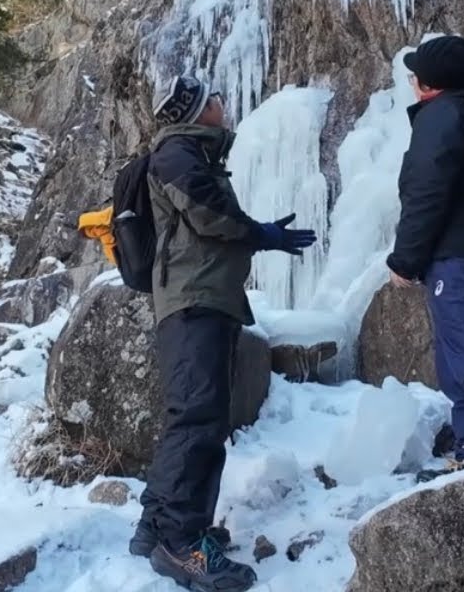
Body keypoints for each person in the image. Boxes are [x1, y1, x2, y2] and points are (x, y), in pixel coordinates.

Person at [129, 75, 316, 592]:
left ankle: (157, 528)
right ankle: (184, 546)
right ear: (193, 112)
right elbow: (208, 213)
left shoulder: (188, 154)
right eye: (213, 99)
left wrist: (260, 234)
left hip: (201, 299)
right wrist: (262, 234)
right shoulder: (177, 154)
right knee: (199, 421)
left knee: (188, 418)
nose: (222, 103)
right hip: (195, 301)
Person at [385, 35, 464, 483]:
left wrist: (404, 259)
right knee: (457, 355)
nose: (412, 79)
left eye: (416, 73)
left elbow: (426, 190)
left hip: (459, 258)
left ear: (430, 84)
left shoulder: (441, 117)